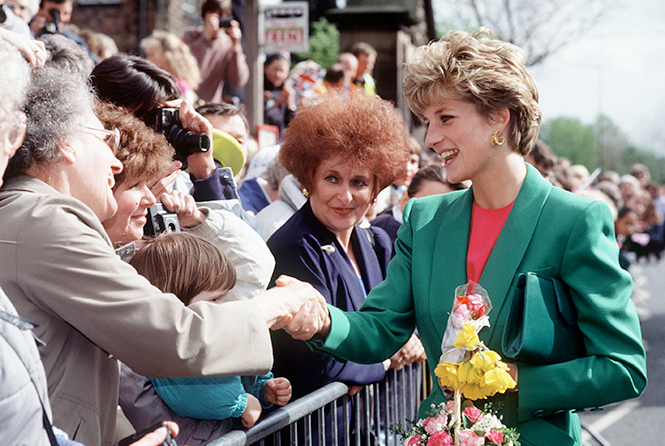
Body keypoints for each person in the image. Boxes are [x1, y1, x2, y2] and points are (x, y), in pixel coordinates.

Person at [305, 28, 647, 446]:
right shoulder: (423, 218)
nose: (430, 139)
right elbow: (380, 328)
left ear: (499, 117)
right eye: (427, 122)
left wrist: (517, 380)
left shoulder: (574, 220)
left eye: (446, 118)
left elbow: (624, 368)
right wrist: (318, 320)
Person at [0, 65, 326, 446]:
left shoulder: (30, 214)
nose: (116, 162)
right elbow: (175, 337)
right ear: (64, 144)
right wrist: (276, 305)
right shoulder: (44, 217)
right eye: (104, 138)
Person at [267, 92, 426, 443]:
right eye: (332, 178)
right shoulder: (294, 245)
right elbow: (314, 360)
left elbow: (393, 321)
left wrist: (406, 342)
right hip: (313, 432)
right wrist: (382, 361)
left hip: (366, 425)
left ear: (375, 189)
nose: (346, 196)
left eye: (359, 182)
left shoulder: (373, 242)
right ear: (309, 180)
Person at [96, 100, 274, 301]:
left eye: (148, 184)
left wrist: (200, 221)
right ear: (101, 186)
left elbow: (246, 274)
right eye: (134, 186)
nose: (150, 198)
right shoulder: (88, 268)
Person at [129, 232, 292, 428]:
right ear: (175, 301)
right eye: (214, 299)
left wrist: (262, 388)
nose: (222, 306)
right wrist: (242, 404)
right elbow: (196, 397)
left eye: (223, 297)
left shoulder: (213, 332)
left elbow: (237, 370)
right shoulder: (170, 347)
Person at [371, 163, 468, 248]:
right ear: (405, 200)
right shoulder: (380, 236)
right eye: (429, 206)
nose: (437, 216)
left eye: (447, 209)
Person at [182, 0, 249, 103]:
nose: (218, 20)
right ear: (205, 15)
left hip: (210, 105)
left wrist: (236, 47)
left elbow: (237, 81)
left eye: (222, 16)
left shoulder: (228, 43)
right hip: (187, 100)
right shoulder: (191, 35)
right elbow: (189, 69)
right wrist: (207, 37)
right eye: (214, 15)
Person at [141, 30, 201, 105]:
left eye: (151, 55)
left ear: (165, 57)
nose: (147, 59)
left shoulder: (180, 87)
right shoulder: (156, 81)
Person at [263, 51, 295, 137]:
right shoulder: (258, 89)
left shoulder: (287, 91)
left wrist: (290, 104)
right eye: (275, 69)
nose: (278, 74)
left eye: (282, 71)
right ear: (265, 68)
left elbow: (291, 124)